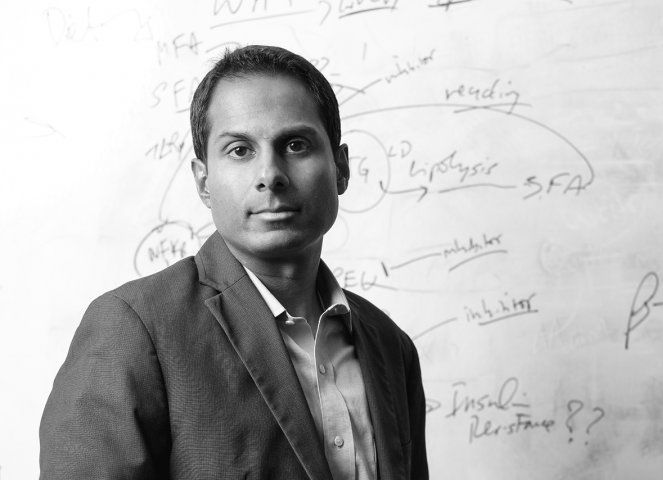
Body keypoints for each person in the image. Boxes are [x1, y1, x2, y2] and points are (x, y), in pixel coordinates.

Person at [40, 45, 428, 479]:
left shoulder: (390, 346)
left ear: (340, 168)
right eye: (240, 150)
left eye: (296, 145)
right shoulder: (136, 329)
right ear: (203, 182)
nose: (271, 174)